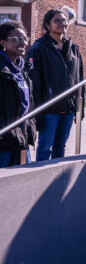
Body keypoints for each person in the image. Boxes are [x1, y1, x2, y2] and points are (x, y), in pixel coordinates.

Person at [26, 9, 83, 161]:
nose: (62, 24)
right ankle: (40, 179)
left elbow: (79, 78)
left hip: (69, 107)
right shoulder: (38, 49)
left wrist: (79, 107)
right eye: (57, 21)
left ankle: (56, 179)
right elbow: (33, 82)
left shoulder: (73, 49)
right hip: (49, 108)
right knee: (45, 146)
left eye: (64, 20)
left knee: (61, 146)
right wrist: (37, 111)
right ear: (47, 24)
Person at [0, 21, 34, 167]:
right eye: (16, 39)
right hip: (4, 136)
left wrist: (31, 128)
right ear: (3, 43)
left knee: (22, 180)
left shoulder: (23, 69)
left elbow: (29, 102)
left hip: (22, 133)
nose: (23, 43)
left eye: (24, 39)